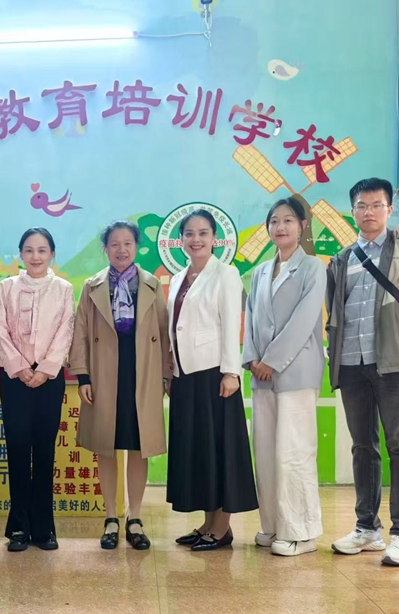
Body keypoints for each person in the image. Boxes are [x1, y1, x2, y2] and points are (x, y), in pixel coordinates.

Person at [328, 178, 399, 566]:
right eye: (361, 206)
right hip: (351, 364)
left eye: (376, 205)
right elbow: (335, 313)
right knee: (363, 447)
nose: (369, 212)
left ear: (389, 209)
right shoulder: (342, 259)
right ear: (353, 212)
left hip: (394, 363)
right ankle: (367, 529)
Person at [69, 221, 171, 550]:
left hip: (143, 375)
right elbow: (80, 334)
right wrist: (83, 376)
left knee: (139, 447)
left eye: (127, 243)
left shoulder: (151, 284)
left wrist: (165, 376)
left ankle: (135, 517)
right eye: (114, 244)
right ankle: (111, 517)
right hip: (103, 376)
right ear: (106, 249)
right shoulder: (92, 286)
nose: (121, 250)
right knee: (106, 447)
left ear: (136, 247)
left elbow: (164, 334)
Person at [168, 209, 258, 551]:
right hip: (185, 375)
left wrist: (231, 372)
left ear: (214, 238)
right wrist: (171, 370)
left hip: (215, 375)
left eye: (203, 233)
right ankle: (208, 523)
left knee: (221, 450)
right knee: (200, 452)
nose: (196, 239)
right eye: (189, 233)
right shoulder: (178, 277)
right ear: (181, 239)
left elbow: (232, 325)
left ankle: (222, 528)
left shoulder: (226, 274)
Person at [242, 196, 325, 556]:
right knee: (266, 453)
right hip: (261, 376)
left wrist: (272, 360)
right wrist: (252, 359)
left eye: (288, 220)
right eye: (274, 221)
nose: (280, 227)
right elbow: (251, 317)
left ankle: (301, 533)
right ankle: (274, 525)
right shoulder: (261, 271)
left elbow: (304, 320)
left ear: (302, 226)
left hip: (296, 372)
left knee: (294, 452)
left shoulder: (313, 268)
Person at [0, 228, 75, 552]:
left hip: (49, 380)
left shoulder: (64, 289)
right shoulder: (7, 287)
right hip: (14, 379)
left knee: (44, 452)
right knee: (16, 450)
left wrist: (45, 369)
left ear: (52, 254)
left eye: (42, 250)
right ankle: (18, 528)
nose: (35, 256)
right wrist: (20, 367)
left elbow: (66, 331)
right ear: (21, 254)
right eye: (29, 250)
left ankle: (44, 529)